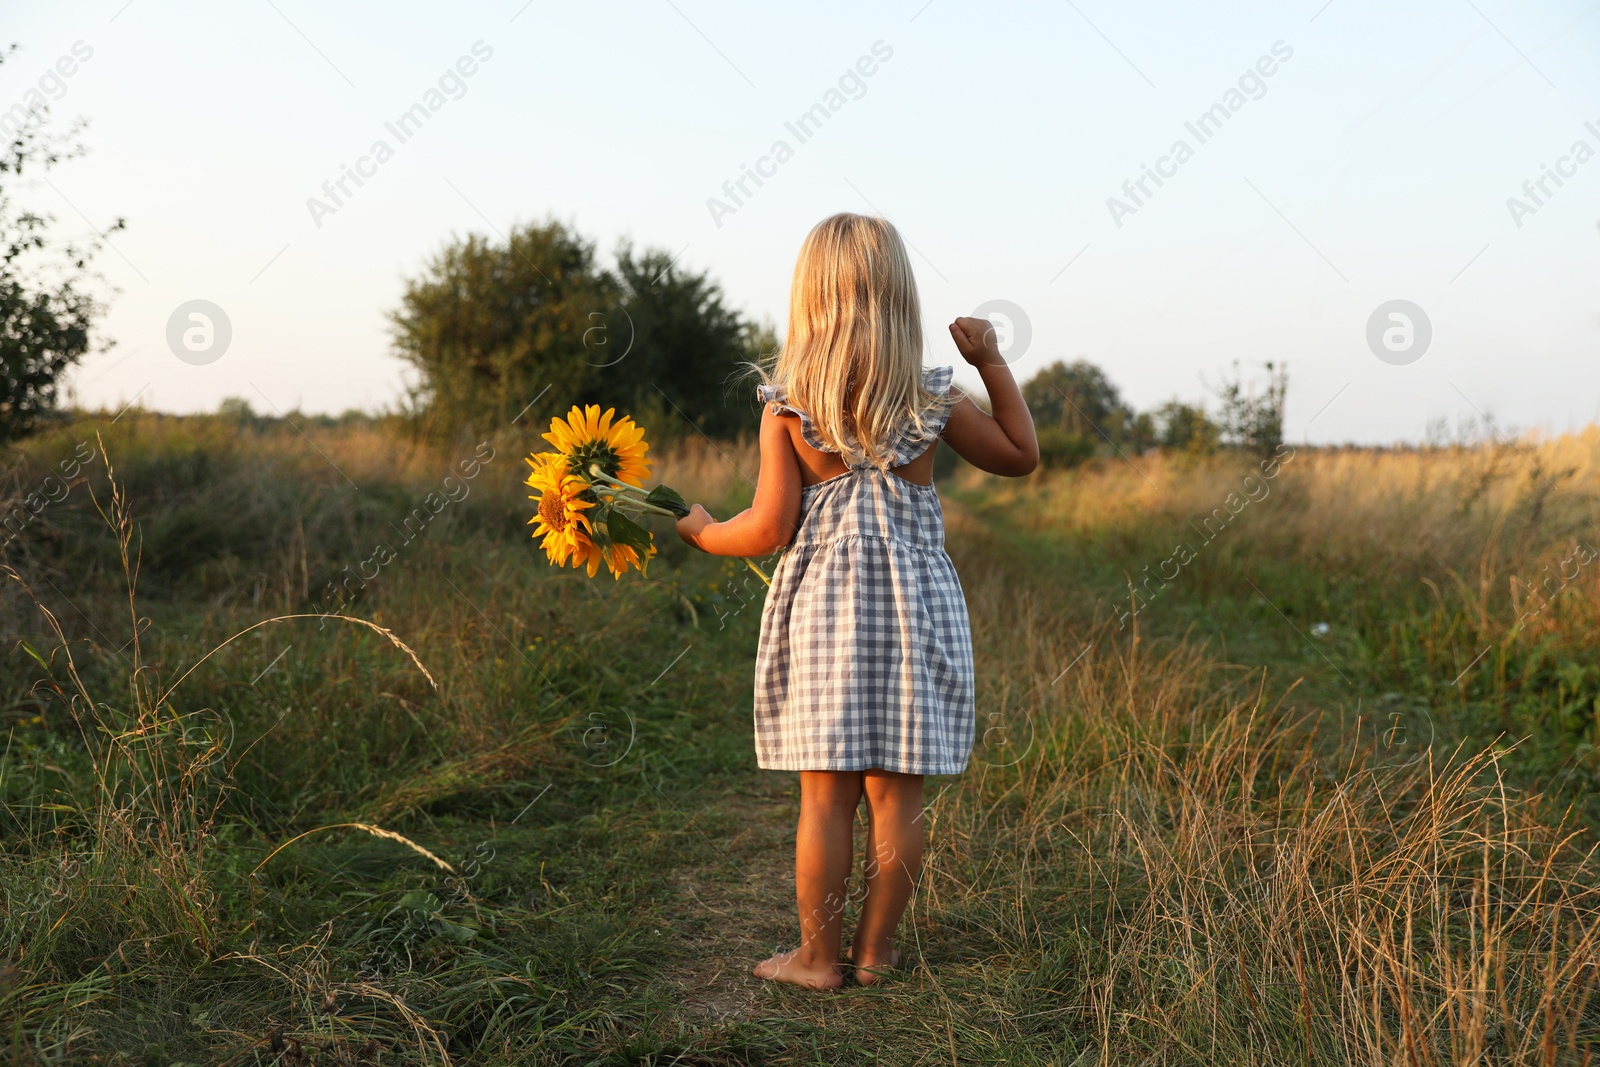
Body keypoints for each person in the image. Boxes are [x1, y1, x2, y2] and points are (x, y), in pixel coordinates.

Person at [675, 212, 1038, 989]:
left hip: (825, 623)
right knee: (896, 794)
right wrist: (995, 362)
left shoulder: (789, 407)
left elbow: (769, 527)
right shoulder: (932, 398)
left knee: (825, 797)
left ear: (810, 301)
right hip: (917, 614)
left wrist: (705, 532)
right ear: (900, 301)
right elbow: (1020, 455)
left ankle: (816, 956)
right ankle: (877, 952)